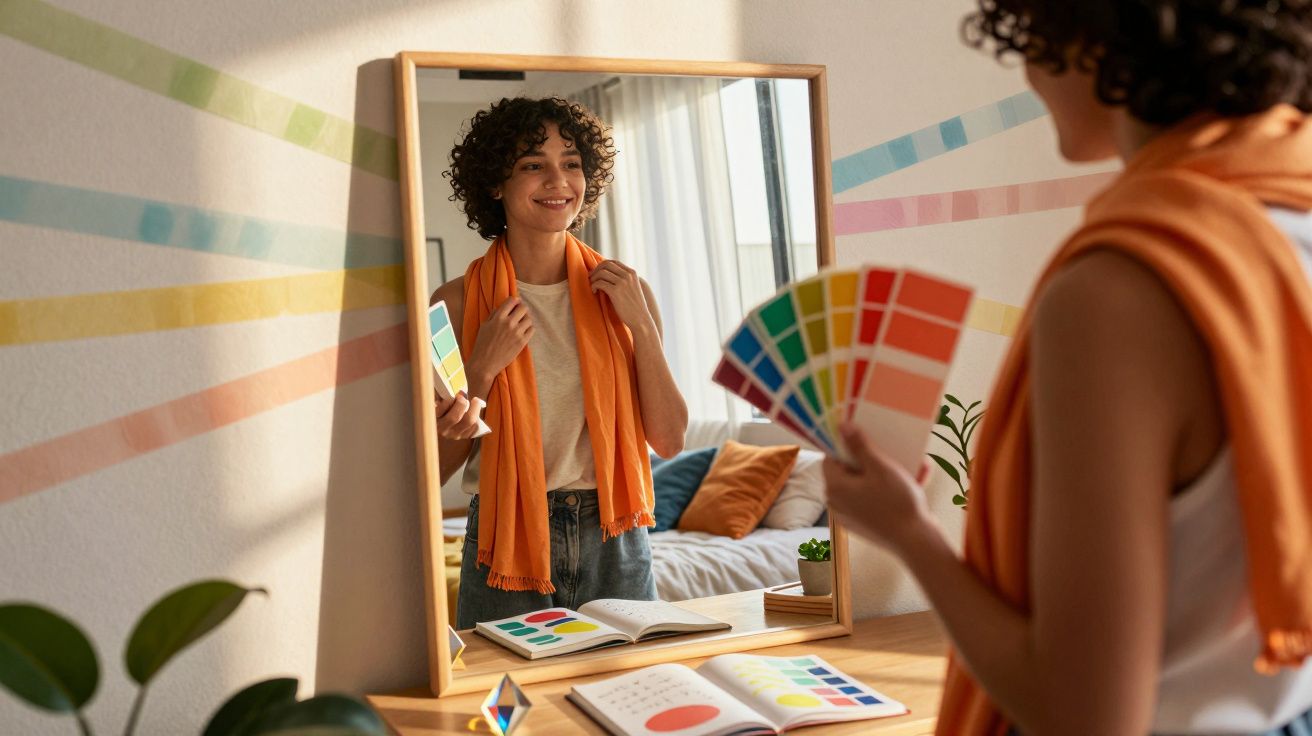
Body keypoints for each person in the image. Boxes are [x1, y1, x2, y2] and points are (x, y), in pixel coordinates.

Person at [823, 2, 1312, 734]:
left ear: (1091, 35)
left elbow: (1083, 718)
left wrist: (912, 536)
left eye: (1033, 37)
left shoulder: (1119, 292)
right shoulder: (1294, 217)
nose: (1029, 71)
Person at [431, 97, 688, 630]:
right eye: (533, 164)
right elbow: (433, 466)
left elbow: (669, 440)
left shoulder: (625, 292)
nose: (558, 180)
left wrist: (640, 326)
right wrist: (481, 369)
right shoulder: (455, 304)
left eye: (571, 163)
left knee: (627, 694)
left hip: (616, 539)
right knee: (507, 707)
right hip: (506, 541)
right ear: (496, 183)